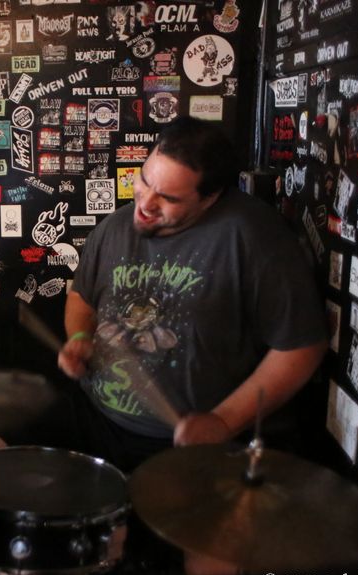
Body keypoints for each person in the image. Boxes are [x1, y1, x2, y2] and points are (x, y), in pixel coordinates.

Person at [55, 116, 327, 467]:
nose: (145, 204)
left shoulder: (255, 238)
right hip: (98, 421)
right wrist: (79, 336)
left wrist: (224, 421)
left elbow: (302, 347)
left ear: (209, 197)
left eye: (168, 197)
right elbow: (82, 297)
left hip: (184, 447)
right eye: (144, 180)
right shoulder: (115, 227)